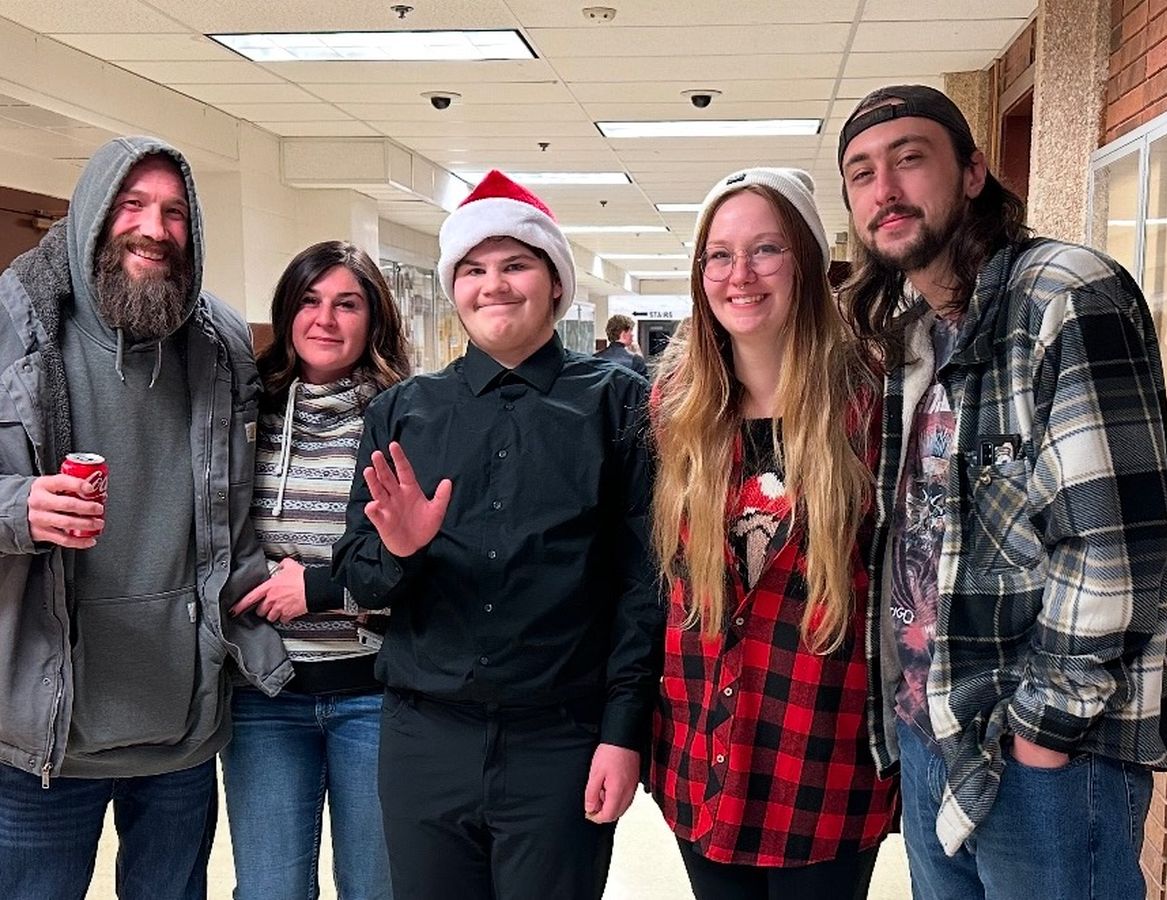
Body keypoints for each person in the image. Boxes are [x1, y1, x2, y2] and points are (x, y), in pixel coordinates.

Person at [838, 84, 1167, 900]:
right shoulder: (909, 333)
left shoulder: (1064, 293)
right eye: (861, 173)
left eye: (909, 159)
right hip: (932, 730)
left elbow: (1112, 544)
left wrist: (1044, 732)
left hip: (1040, 753)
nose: (884, 188)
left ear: (973, 173)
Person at [331, 170, 663, 900]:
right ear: (454, 289)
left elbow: (643, 584)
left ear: (555, 282)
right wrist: (400, 551)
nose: (495, 286)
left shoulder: (621, 405)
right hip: (425, 735)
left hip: (562, 735)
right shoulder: (403, 413)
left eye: (516, 265)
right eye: (474, 270)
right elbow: (357, 573)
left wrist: (623, 731)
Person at [0, 136, 292, 899]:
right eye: (132, 205)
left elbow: (244, 504)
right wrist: (18, 507)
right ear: (94, 214)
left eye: (173, 212)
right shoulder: (13, 328)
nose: (154, 229)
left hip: (180, 730)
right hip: (43, 734)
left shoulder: (221, 342)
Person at [649, 167, 897, 899]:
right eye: (719, 255)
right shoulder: (678, 409)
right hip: (703, 758)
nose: (740, 275)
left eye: (765, 250)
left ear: (808, 263)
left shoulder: (873, 402)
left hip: (823, 761)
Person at [222, 241, 411, 900]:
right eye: (310, 300)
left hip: (374, 695)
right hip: (264, 693)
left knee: (375, 889)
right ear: (287, 311)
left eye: (347, 304)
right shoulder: (247, 412)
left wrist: (323, 591)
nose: (325, 319)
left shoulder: (406, 417)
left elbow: (423, 562)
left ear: (374, 318)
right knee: (269, 890)